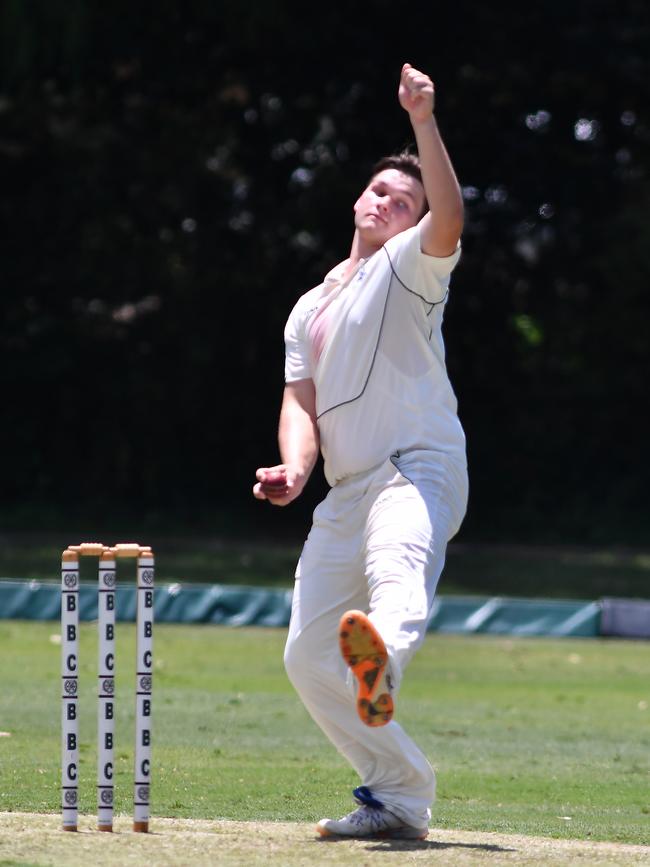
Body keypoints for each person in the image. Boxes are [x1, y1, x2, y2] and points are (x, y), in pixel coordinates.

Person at [254, 62, 468, 840]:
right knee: (309, 657)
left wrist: (422, 121)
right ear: (356, 199)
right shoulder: (309, 305)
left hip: (417, 465)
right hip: (344, 487)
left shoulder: (411, 267)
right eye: (380, 191)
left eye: (401, 201)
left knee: (396, 565)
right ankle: (400, 795)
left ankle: (384, 657)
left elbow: (449, 213)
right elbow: (298, 401)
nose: (388, 204)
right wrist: (296, 467)